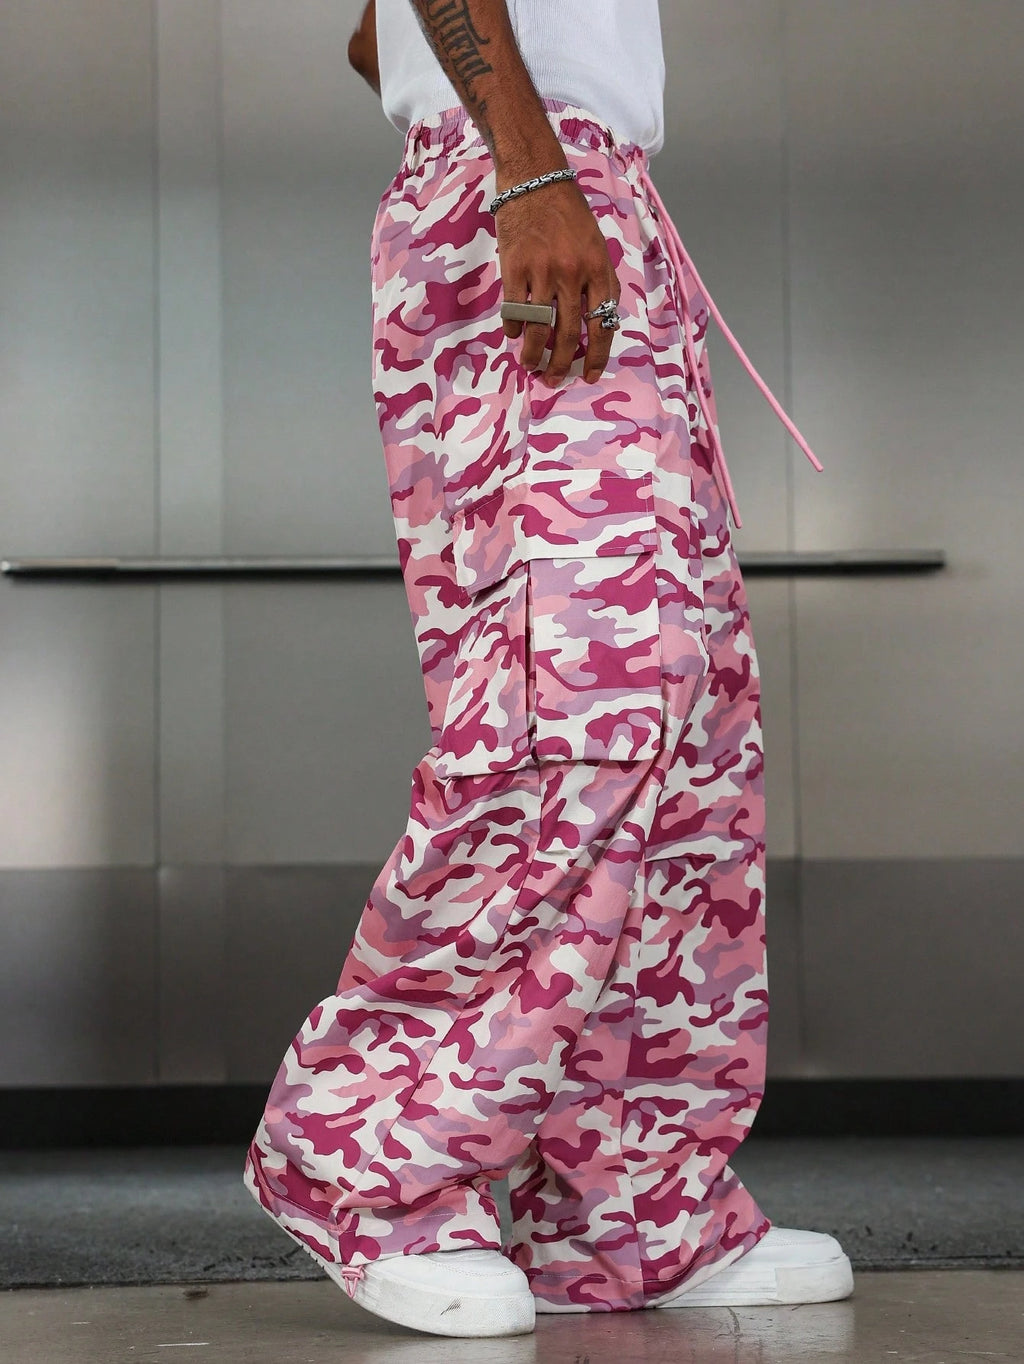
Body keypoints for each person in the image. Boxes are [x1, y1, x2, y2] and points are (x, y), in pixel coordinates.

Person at [244, 0, 853, 1338]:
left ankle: (624, 1208)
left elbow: (372, 38)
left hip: (595, 190)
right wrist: (522, 165)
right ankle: (366, 1157)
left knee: (689, 732)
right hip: (531, 187)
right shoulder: (523, 169)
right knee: (575, 710)